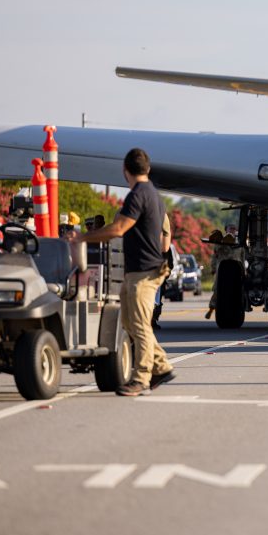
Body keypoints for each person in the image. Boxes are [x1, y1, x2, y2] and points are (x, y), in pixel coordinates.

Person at [72, 148, 175, 396]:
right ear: (147, 169)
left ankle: (141, 379)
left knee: (139, 325)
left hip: (144, 270)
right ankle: (161, 367)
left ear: (125, 171)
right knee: (130, 322)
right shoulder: (153, 195)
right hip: (139, 270)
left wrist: (83, 237)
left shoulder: (138, 195)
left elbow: (119, 228)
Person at [205, 223, 245, 320]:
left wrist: (244, 271)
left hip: (236, 270)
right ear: (226, 230)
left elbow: (242, 258)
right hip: (222, 270)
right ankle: (212, 308)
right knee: (217, 289)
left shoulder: (239, 243)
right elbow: (215, 256)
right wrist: (213, 268)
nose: (232, 230)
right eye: (230, 228)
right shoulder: (220, 242)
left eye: (234, 229)